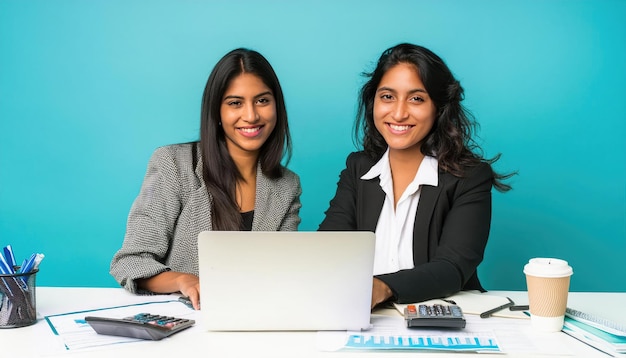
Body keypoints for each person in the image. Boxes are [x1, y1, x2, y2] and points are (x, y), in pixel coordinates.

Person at [318, 43, 514, 309]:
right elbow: (329, 247)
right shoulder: (358, 168)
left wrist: (382, 288)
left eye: (416, 98)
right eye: (387, 96)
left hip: (443, 317)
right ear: (372, 101)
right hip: (366, 317)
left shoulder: (470, 177)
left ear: (439, 108)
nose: (398, 113)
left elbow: (452, 268)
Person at [110, 48, 302, 310]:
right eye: (235, 103)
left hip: (254, 318)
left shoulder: (287, 186)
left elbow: (280, 271)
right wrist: (183, 280)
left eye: (262, 101)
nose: (251, 116)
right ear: (217, 112)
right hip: (185, 323)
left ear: (276, 106)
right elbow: (131, 261)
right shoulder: (173, 164)